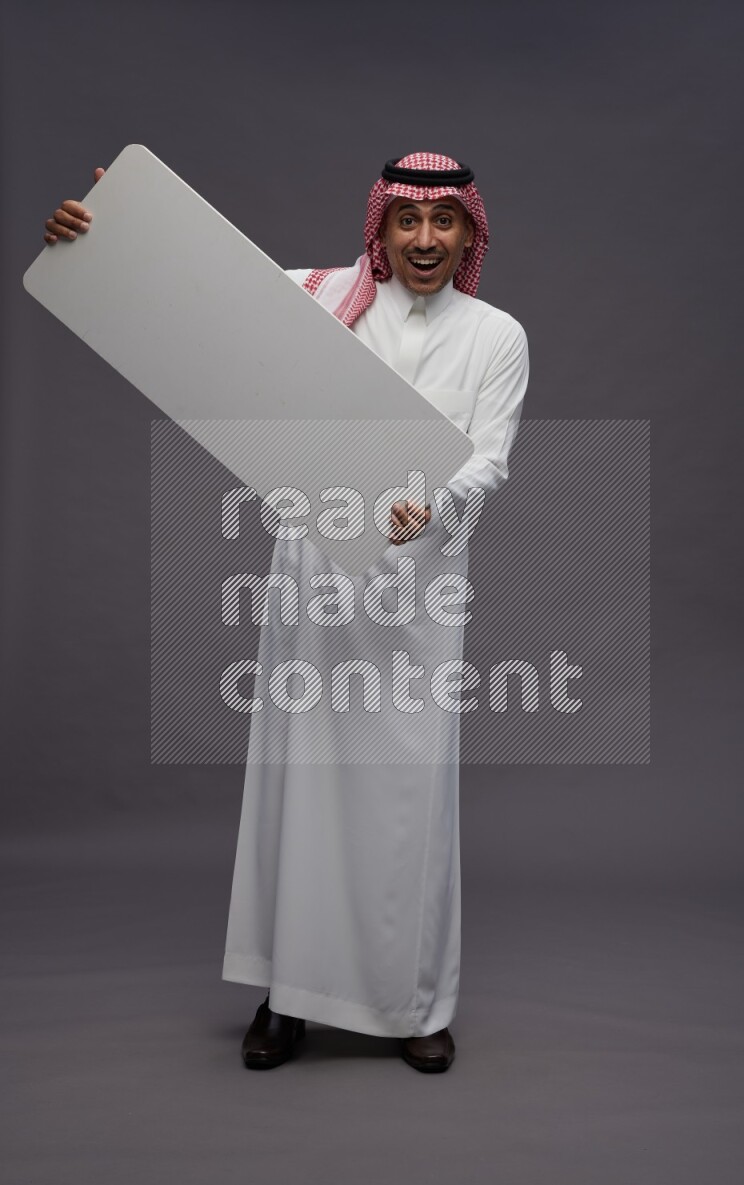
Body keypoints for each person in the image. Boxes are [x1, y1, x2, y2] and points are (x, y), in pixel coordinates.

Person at [43, 152, 529, 1074]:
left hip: (421, 595)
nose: (424, 240)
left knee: (406, 804)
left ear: (468, 232)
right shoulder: (321, 298)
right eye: (407, 222)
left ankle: (415, 1003)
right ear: (380, 228)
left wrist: (434, 508)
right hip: (314, 580)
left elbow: (489, 459)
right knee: (301, 786)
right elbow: (201, 300)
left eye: (444, 222)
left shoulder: (497, 335)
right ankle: (287, 998)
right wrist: (111, 229)